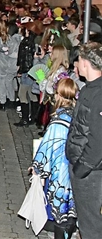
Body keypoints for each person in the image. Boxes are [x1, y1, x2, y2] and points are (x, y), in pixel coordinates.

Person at [32, 78, 78, 239]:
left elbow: (48, 145)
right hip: (74, 167)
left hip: (60, 170)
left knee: (60, 210)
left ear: (58, 95)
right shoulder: (77, 114)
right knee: (70, 208)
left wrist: (37, 166)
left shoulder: (58, 121)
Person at [66, 42, 102, 239]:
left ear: (86, 62)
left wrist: (82, 167)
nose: (75, 65)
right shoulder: (92, 88)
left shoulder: (97, 94)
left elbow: (98, 139)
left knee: (91, 226)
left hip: (91, 173)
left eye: (78, 60)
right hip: (88, 170)